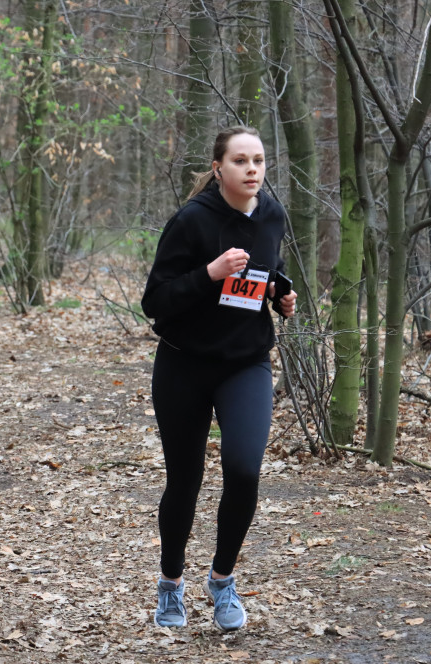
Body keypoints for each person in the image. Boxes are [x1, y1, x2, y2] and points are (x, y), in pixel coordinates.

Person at [141, 126, 297, 631]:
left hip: (245, 363)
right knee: (185, 481)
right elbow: (155, 302)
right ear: (218, 169)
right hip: (184, 364)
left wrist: (280, 295)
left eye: (259, 160)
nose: (252, 170)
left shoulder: (272, 214)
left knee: (245, 469)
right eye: (240, 161)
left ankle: (222, 580)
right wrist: (209, 272)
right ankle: (170, 586)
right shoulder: (191, 221)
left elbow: (265, 273)